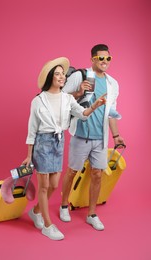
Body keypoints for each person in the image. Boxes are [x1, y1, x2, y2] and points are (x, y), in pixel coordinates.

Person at [22, 57, 106, 241]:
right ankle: (48, 225)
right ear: (50, 77)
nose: (62, 77)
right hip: (43, 143)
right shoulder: (38, 101)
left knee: (53, 185)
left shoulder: (68, 98)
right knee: (44, 187)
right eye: (58, 74)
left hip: (58, 142)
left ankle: (36, 212)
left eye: (63, 74)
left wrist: (95, 106)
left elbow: (82, 114)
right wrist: (29, 155)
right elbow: (32, 129)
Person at [59, 44, 125, 231]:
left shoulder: (113, 84)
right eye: (100, 58)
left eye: (108, 58)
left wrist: (117, 135)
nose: (104, 62)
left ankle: (92, 214)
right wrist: (78, 92)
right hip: (81, 135)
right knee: (72, 171)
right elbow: (61, 97)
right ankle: (64, 205)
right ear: (93, 59)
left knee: (97, 174)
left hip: (100, 138)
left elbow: (111, 112)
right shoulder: (80, 76)